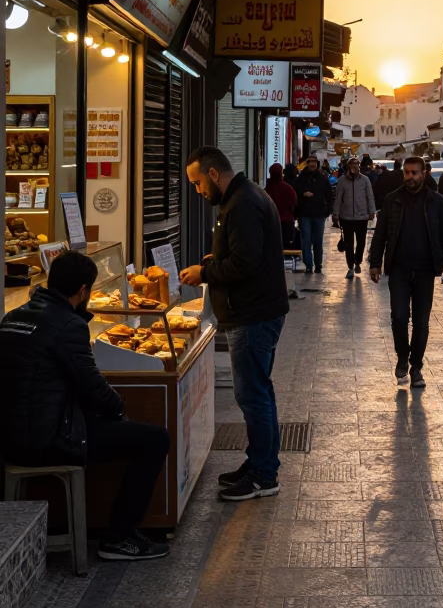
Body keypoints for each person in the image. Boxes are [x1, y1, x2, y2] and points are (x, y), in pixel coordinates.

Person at [0, 250, 171, 561]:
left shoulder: (13, 317)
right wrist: (119, 408)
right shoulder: (68, 325)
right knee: (155, 439)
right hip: (46, 439)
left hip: (10, 435)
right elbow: (94, 388)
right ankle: (119, 538)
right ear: (82, 291)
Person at [181, 146, 288, 501]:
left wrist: (205, 271)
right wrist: (220, 257)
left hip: (252, 314)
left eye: (197, 183)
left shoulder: (242, 203)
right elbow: (245, 253)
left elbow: (246, 264)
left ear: (213, 175)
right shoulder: (245, 196)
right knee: (260, 392)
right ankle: (261, 462)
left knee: (252, 395)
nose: (198, 192)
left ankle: (262, 475)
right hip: (258, 310)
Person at [369, 156, 443, 389]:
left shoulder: (437, 202)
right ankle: (402, 357)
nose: (410, 177)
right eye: (407, 173)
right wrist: (374, 262)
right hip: (399, 268)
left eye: (415, 173)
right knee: (398, 317)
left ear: (424, 174)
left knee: (421, 323)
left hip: (426, 270)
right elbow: (381, 234)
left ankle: (416, 367)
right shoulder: (392, 200)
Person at [333, 156, 377, 279]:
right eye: (352, 166)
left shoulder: (365, 180)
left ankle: (358, 261)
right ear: (348, 167)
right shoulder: (342, 181)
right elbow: (338, 199)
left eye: (356, 165)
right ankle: (350, 267)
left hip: (361, 217)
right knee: (348, 244)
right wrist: (335, 214)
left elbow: (370, 196)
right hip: (346, 218)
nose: (355, 168)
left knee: (361, 243)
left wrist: (371, 211)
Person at [294, 155, 333, 274]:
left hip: (319, 213)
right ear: (307, 163)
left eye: (314, 162)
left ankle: (318, 265)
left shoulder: (322, 178)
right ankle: (308, 265)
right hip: (305, 213)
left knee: (318, 240)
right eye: (310, 162)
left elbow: (329, 195)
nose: (312, 164)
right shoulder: (300, 179)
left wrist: (328, 210)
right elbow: (295, 194)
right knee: (306, 240)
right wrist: (302, 195)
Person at [264, 162, 298, 251]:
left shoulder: (266, 189)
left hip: (270, 223)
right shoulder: (288, 189)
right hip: (286, 223)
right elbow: (294, 204)